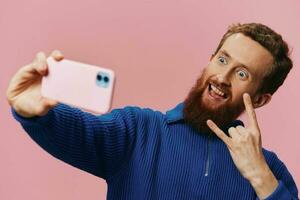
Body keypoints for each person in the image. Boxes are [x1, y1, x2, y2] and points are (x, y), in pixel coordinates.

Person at [6, 23, 299, 199]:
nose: (223, 77)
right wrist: (36, 114)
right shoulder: (140, 130)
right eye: (222, 60)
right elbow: (82, 132)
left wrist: (260, 177)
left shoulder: (271, 171)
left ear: (260, 100)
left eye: (242, 74)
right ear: (210, 60)